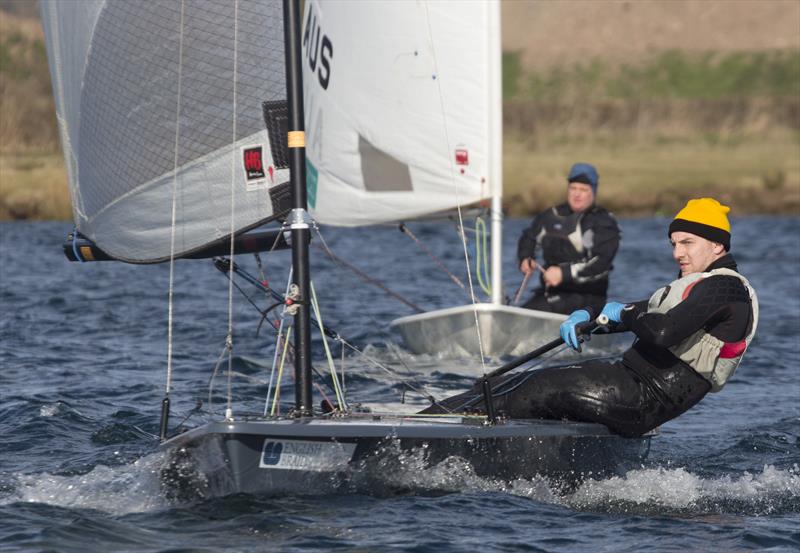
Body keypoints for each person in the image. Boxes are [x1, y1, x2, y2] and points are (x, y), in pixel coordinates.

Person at [426, 198, 758, 438]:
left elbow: (661, 332)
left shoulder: (726, 290)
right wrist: (589, 316)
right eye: (673, 243)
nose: (677, 253)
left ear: (717, 245)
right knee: (505, 383)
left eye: (687, 242)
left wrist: (625, 312)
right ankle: (431, 419)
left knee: (537, 387)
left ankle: (440, 431)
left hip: (643, 400)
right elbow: (636, 313)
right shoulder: (700, 286)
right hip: (626, 386)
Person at [517, 162, 620, 315]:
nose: (577, 194)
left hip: (588, 299)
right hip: (551, 293)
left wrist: (563, 273)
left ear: (593, 191)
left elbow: (601, 264)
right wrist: (526, 257)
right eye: (573, 188)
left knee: (537, 310)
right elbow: (529, 237)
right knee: (524, 312)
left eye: (583, 190)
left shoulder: (603, 223)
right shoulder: (551, 216)